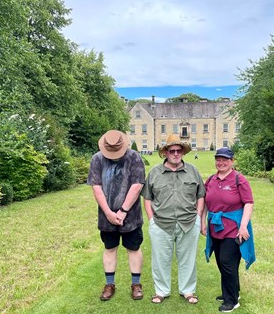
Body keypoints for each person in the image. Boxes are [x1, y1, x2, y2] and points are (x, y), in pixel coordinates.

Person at [142, 134, 205, 304]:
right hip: (161, 223)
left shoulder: (192, 171)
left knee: (188, 258)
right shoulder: (155, 172)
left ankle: (188, 291)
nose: (176, 154)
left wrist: (198, 215)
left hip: (189, 222)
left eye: (179, 150)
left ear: (183, 152)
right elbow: (147, 198)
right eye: (172, 151)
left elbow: (201, 195)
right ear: (166, 153)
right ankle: (161, 291)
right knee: (160, 259)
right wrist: (151, 219)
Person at [87, 130, 146, 301]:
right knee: (110, 248)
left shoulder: (134, 157)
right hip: (106, 216)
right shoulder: (97, 159)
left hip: (131, 217)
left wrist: (123, 211)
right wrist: (108, 213)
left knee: (133, 248)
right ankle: (109, 284)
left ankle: (136, 284)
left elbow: (137, 185)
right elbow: (96, 187)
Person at [202, 147, 255, 313]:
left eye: (225, 159)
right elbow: (205, 202)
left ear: (232, 161)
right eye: (218, 159)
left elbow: (248, 203)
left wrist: (243, 226)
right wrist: (203, 222)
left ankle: (231, 301)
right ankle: (233, 292)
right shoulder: (211, 179)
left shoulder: (239, 179)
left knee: (227, 261)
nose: (221, 162)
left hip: (234, 228)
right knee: (221, 261)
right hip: (215, 227)